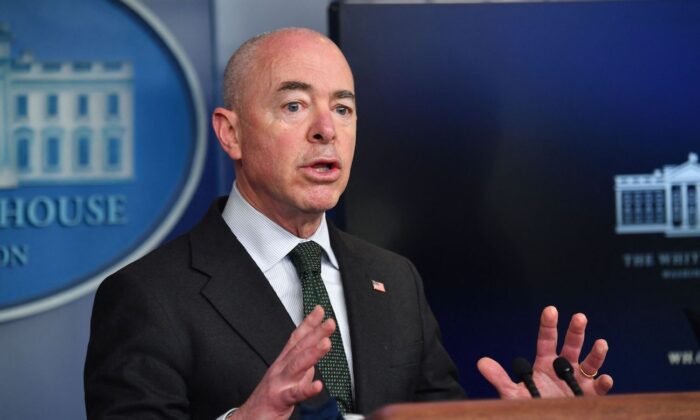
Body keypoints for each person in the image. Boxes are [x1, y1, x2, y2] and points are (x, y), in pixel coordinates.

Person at [84, 28, 613, 419]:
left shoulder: (395, 279)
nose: (326, 131)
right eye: (294, 105)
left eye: (343, 109)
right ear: (231, 134)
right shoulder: (148, 297)